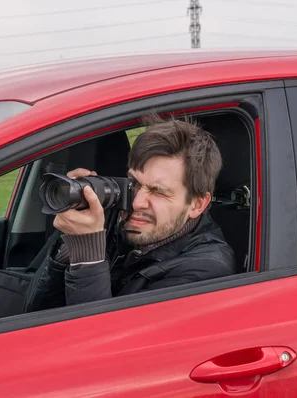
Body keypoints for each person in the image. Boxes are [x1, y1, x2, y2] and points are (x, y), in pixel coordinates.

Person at [24, 115, 236, 312]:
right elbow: (33, 312)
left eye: (158, 192)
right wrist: (72, 237)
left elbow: (101, 342)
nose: (136, 202)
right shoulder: (114, 222)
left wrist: (88, 251)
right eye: (134, 183)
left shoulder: (206, 270)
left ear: (197, 204)